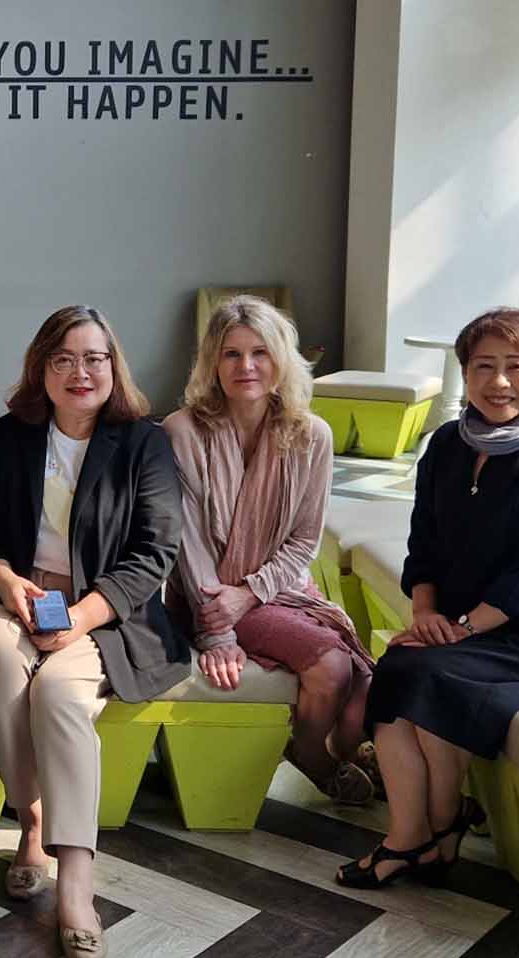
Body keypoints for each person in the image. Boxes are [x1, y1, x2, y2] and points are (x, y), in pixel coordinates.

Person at [0, 304, 189, 958]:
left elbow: (154, 553)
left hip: (108, 614)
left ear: (114, 368)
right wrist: (7, 586)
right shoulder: (12, 436)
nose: (81, 372)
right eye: (64, 359)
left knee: (59, 692)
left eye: (94, 358)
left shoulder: (143, 442)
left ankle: (77, 883)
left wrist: (83, 616)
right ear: (43, 370)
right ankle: (30, 823)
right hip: (25, 597)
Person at [340, 308, 519, 889]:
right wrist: (425, 612)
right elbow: (423, 540)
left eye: (515, 367)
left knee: (425, 673)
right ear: (465, 372)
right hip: (454, 625)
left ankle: (433, 831)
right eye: (484, 366)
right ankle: (416, 835)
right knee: (399, 669)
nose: (498, 382)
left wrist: (459, 629)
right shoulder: (449, 444)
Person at [164, 295, 377, 806]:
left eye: (259, 352)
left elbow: (305, 539)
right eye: (231, 354)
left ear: (281, 359)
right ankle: (309, 754)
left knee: (365, 694)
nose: (246, 366)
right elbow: (184, 542)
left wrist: (252, 592)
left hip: (279, 589)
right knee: (331, 666)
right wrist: (217, 627)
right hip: (206, 592)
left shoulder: (313, 437)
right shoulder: (182, 432)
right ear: (212, 363)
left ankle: (341, 748)